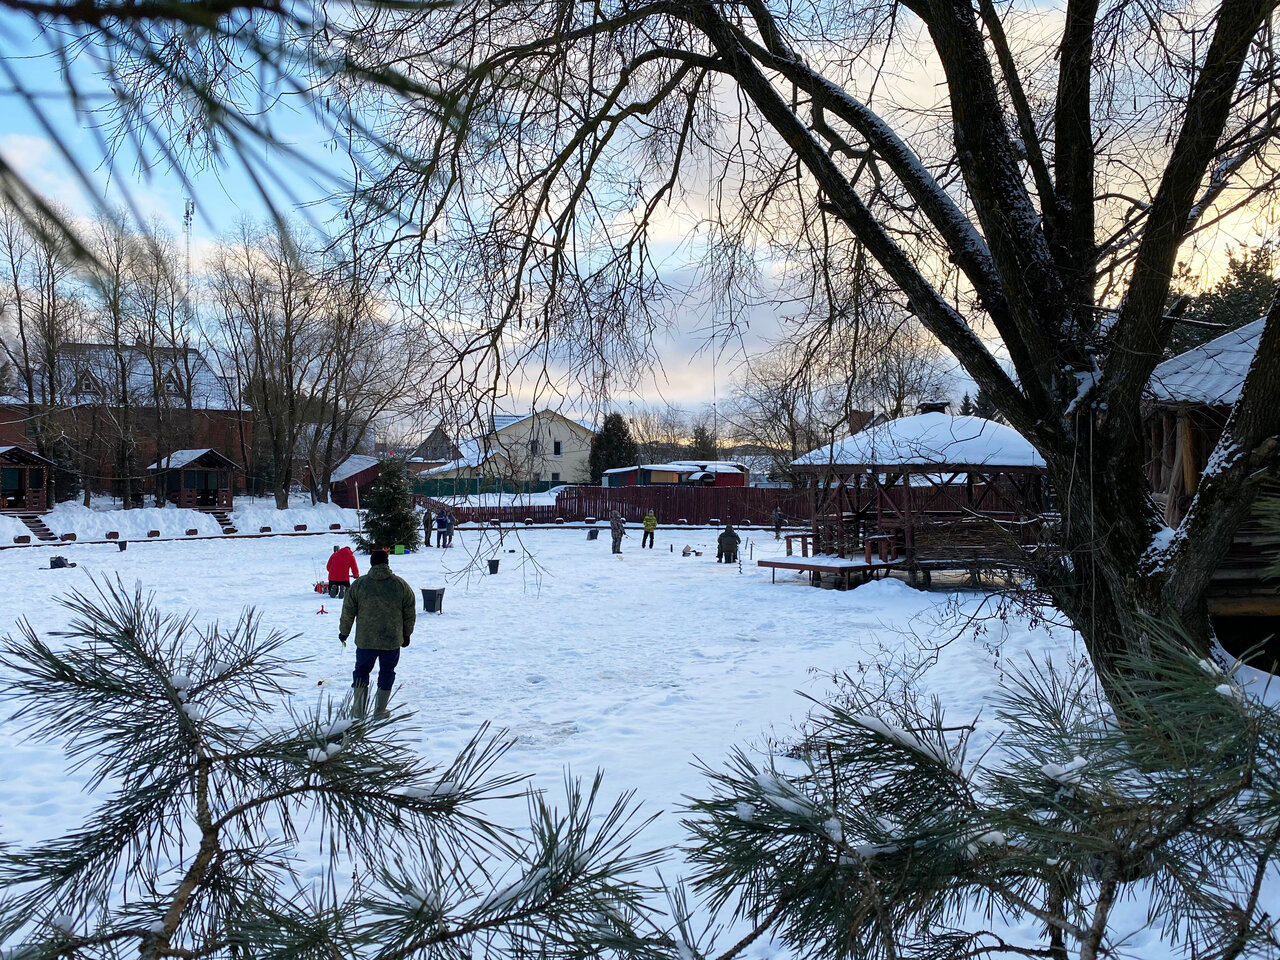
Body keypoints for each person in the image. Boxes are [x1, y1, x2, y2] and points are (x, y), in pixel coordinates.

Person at [338, 549, 416, 720]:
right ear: (387, 563)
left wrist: (344, 632)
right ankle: (380, 711)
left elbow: (348, 611)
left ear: (371, 563)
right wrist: (407, 634)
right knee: (387, 671)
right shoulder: (400, 585)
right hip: (391, 640)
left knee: (361, 670)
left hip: (366, 640)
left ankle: (358, 711)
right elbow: (409, 611)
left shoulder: (359, 584)